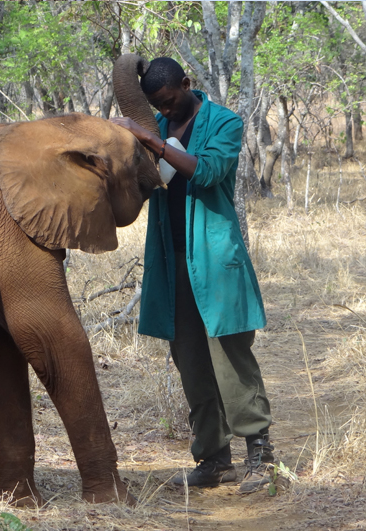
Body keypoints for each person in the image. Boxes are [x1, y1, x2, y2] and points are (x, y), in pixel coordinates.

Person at [111, 57, 275, 493]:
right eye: (157, 107)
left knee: (230, 358)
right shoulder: (158, 125)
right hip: (171, 263)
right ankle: (213, 459)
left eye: (170, 102)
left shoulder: (225, 122)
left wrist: (150, 139)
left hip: (215, 259)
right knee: (190, 362)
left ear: (187, 84)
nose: (166, 112)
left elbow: (208, 170)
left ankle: (261, 457)